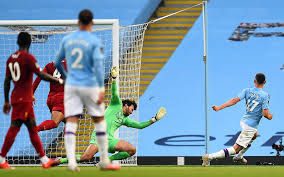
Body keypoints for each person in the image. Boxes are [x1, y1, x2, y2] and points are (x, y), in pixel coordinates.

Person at [58, 66, 167, 164]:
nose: (132, 112)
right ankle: (61, 160)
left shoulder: (125, 119)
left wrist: (155, 119)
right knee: (86, 157)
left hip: (110, 141)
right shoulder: (116, 104)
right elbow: (114, 93)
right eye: (132, 109)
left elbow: (140, 125)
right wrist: (114, 79)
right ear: (126, 105)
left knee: (132, 150)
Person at [54, 9, 119, 171]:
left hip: (72, 85)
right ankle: (104, 161)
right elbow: (97, 67)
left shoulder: (68, 39)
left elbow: (57, 62)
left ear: (78, 22)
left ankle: (71, 163)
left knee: (71, 122)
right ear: (91, 23)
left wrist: (66, 76)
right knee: (99, 122)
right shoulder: (93, 41)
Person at [0, 32, 64, 169]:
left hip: (16, 97)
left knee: (29, 129)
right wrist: (58, 80)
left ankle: (44, 160)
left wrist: (6, 100)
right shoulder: (28, 58)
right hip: (24, 100)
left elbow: (6, 81)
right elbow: (41, 74)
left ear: (18, 42)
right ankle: (1, 159)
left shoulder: (11, 59)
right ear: (29, 43)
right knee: (18, 129)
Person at [202, 73, 273, 166]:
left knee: (254, 135)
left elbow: (234, 100)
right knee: (235, 149)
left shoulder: (247, 90)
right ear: (265, 82)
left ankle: (240, 156)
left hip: (244, 121)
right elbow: (265, 114)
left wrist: (219, 107)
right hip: (250, 126)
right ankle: (209, 157)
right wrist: (270, 116)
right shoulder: (265, 95)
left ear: (254, 81)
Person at [33, 60, 67, 132]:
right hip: (62, 98)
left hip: (51, 99)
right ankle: (35, 129)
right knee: (55, 122)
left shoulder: (50, 65)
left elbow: (39, 76)